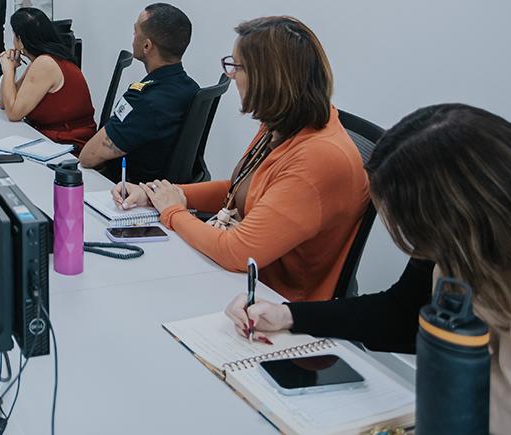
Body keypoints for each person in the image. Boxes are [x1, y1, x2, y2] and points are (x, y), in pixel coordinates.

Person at [227, 104, 511, 433]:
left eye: (415, 237)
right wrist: (287, 314)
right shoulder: (467, 254)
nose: (418, 251)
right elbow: (402, 315)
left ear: (452, 227)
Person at [116, 16, 369, 302]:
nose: (232, 75)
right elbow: (241, 190)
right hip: (243, 281)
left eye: (237, 66)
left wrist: (173, 212)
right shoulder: (284, 123)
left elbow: (237, 251)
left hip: (274, 301)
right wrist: (157, 194)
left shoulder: (318, 158)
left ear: (268, 78)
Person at [77, 4, 199, 183]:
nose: (133, 38)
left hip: (127, 191)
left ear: (147, 46)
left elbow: (87, 157)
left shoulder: (146, 100)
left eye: (135, 32)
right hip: (163, 190)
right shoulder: (191, 89)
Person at [0, 7, 95, 146]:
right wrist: (11, 69)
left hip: (67, 144)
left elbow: (13, 113)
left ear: (20, 40)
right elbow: (5, 103)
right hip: (51, 138)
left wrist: (7, 70)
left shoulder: (45, 64)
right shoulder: (43, 60)